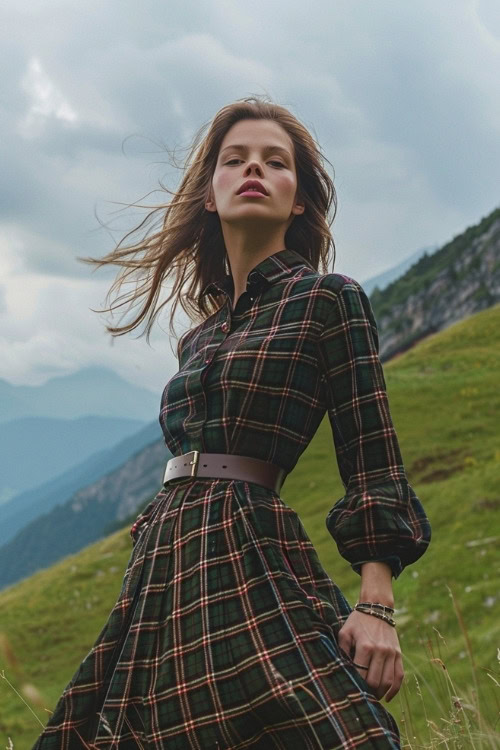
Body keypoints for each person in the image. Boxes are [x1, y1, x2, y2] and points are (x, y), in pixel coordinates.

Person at [33, 95, 431, 749]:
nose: (253, 169)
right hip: (165, 560)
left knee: (324, 728)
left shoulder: (328, 300)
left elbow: (372, 452)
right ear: (211, 194)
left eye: (275, 162)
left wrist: (375, 603)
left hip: (247, 544)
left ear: (299, 199)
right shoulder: (202, 337)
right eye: (234, 159)